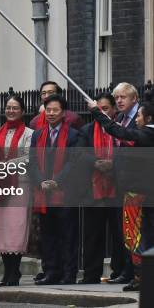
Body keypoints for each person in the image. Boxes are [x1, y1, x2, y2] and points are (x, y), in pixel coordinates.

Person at [86, 94, 154, 292]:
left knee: (134, 235)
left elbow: (116, 130)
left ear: (148, 119)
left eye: (140, 116)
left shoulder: (146, 134)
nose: (137, 120)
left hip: (137, 194)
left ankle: (141, 278)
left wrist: (96, 111)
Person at [29, 95, 82, 285]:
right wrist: (41, 181)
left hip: (65, 193)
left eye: (55, 110)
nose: (51, 113)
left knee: (67, 235)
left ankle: (68, 274)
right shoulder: (38, 134)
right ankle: (51, 271)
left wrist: (56, 182)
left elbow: (73, 163)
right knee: (48, 235)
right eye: (48, 110)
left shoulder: (74, 135)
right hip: (44, 193)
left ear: (64, 113)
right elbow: (32, 162)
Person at [78, 93, 124, 284]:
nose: (103, 112)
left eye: (106, 108)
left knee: (120, 234)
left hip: (117, 189)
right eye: (100, 108)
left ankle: (119, 271)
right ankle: (91, 274)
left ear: (114, 110)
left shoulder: (120, 130)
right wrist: (96, 163)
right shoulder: (87, 130)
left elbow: (127, 152)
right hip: (93, 189)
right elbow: (79, 152)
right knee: (93, 234)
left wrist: (112, 164)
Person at [0, 96, 33, 287]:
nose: (11, 111)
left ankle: (15, 272)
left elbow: (29, 157)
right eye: (8, 107)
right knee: (1, 229)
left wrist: (6, 165)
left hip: (19, 185)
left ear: (22, 111)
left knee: (16, 229)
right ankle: (7, 274)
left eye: (15, 108)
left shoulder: (29, 133)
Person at [106, 83, 141, 286]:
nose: (118, 101)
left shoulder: (140, 119)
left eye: (123, 97)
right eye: (116, 97)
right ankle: (127, 270)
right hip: (121, 179)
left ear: (134, 99)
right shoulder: (119, 118)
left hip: (138, 182)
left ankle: (135, 272)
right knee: (124, 228)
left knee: (136, 228)